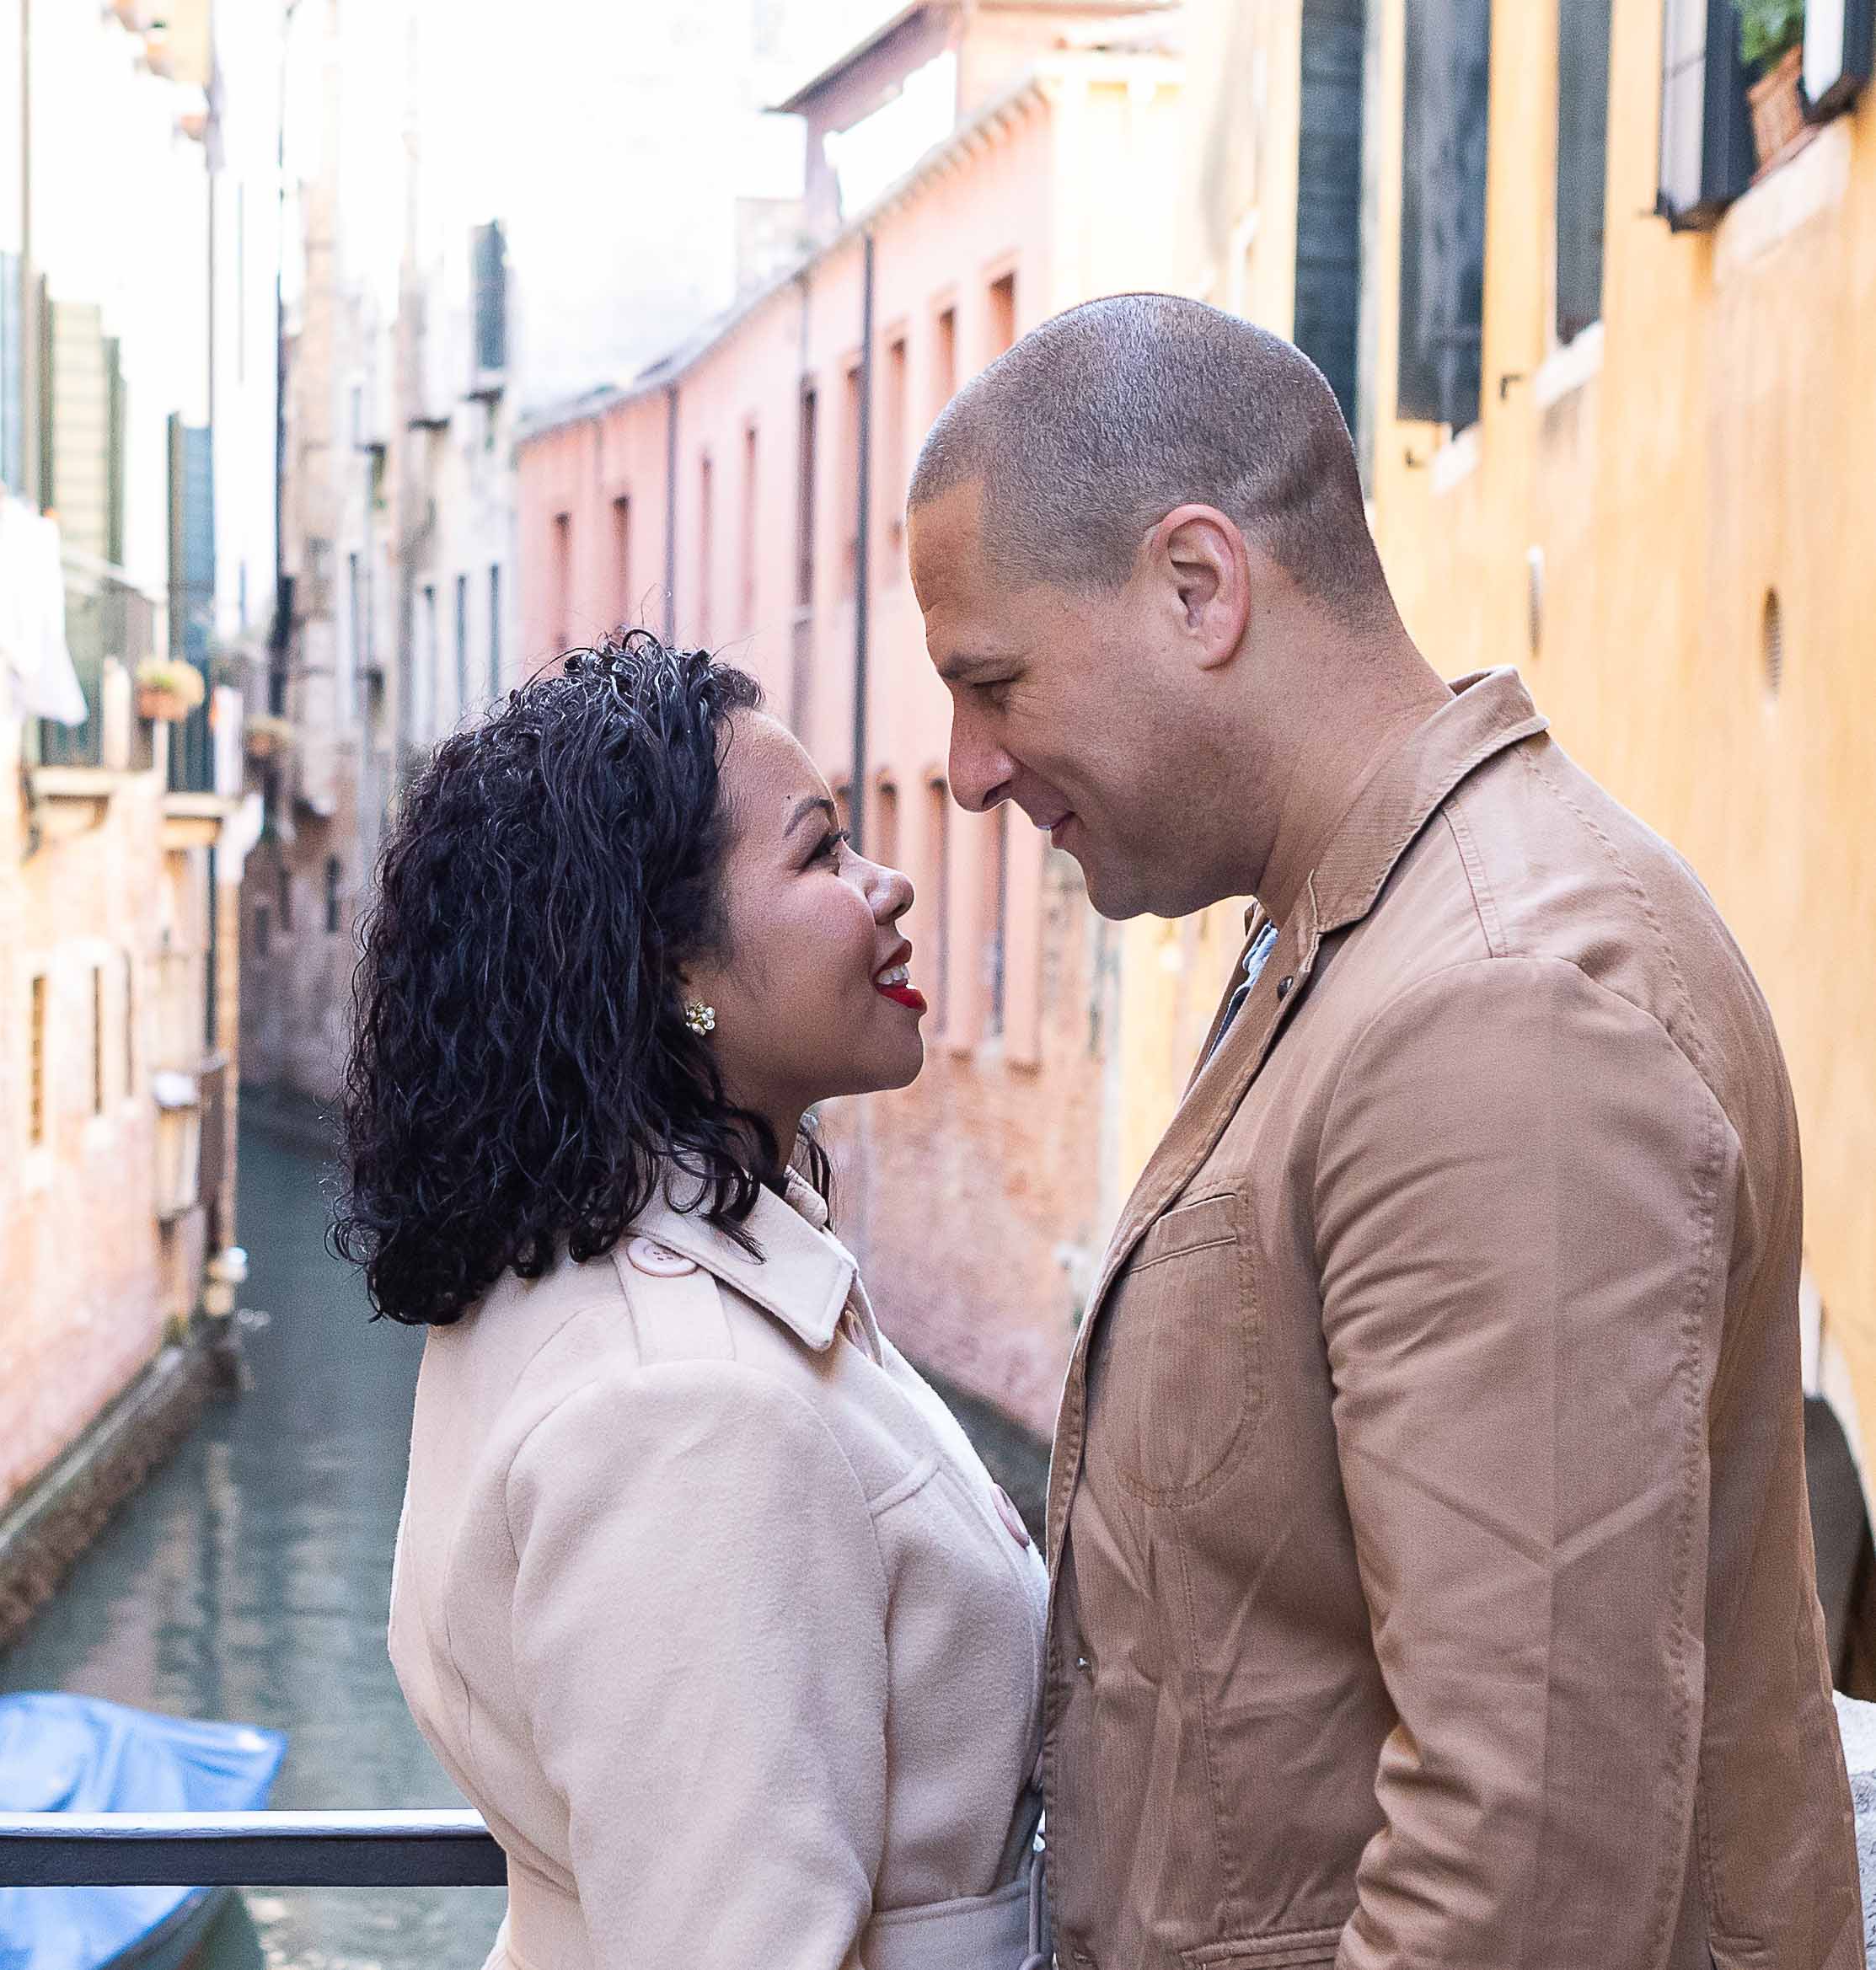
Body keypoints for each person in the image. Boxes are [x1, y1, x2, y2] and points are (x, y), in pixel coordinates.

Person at [907, 292, 1860, 1969]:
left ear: (1195, 588)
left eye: (992, 682)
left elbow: (1528, 1864)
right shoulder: (1353, 940)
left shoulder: (1498, 1006)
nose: (967, 770)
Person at [343, 633, 1053, 1970]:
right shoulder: (684, 1403)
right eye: (822, 852)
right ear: (674, 970)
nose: (886, 885)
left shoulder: (592, 1259)